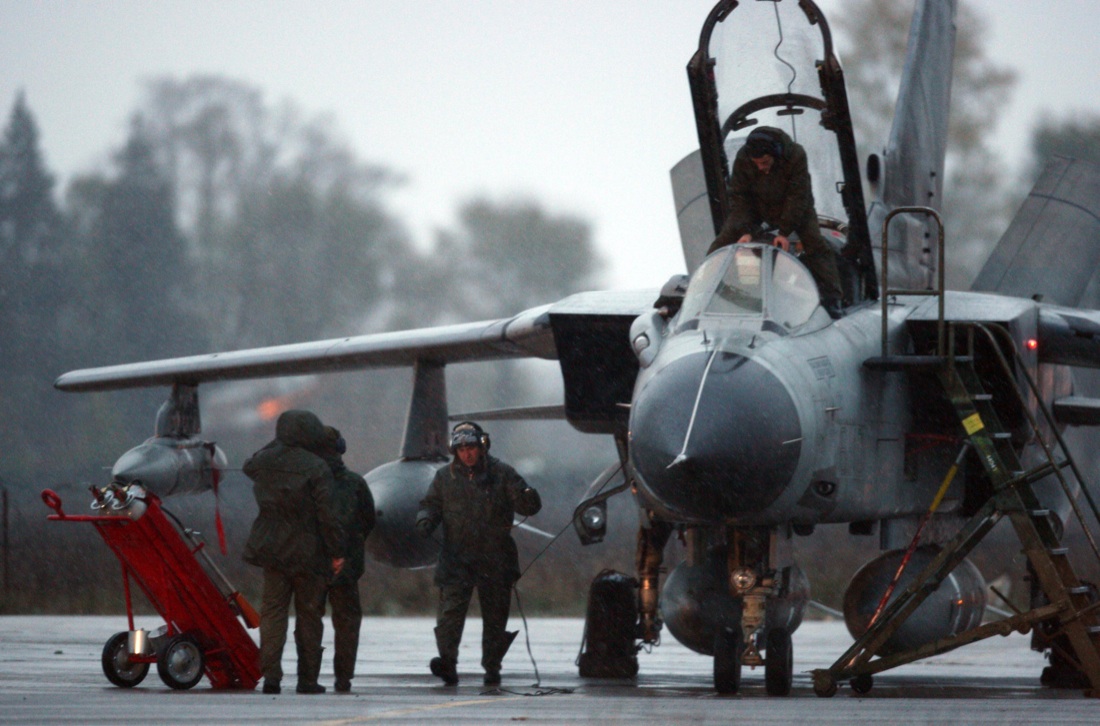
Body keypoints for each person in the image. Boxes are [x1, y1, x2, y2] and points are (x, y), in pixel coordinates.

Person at [415, 421, 542, 687]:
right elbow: (430, 504)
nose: (467, 454)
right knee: (449, 617)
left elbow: (528, 505)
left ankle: (492, 667)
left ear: (482, 446)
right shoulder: (444, 478)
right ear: (455, 451)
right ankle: (447, 663)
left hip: (495, 558)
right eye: (461, 449)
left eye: (471, 448)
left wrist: (528, 497)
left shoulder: (502, 473)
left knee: (495, 618)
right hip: (456, 557)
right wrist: (425, 520)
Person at [242, 409, 345, 695]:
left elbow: (249, 465)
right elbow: (328, 515)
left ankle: (271, 676)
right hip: (309, 552)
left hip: (272, 549)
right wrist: (337, 551)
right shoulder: (317, 467)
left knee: (273, 614)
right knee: (309, 616)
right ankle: (307, 680)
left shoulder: (265, 461)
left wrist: (276, 444)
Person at [708, 125, 845, 318]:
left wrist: (784, 232)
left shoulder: (796, 155)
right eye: (756, 164)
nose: (760, 168)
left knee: (815, 243)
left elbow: (798, 196)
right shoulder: (744, 158)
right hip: (757, 206)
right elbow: (740, 197)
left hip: (796, 207)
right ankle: (705, 291)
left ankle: (833, 299)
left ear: (776, 153)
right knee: (723, 241)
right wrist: (745, 230)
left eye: (764, 162)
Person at [315, 426, 375, 694]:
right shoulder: (355, 483)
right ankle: (343, 677)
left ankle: (308, 676)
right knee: (347, 624)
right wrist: (348, 548)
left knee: (309, 623)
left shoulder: (308, 484)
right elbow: (368, 520)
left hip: (313, 566)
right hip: (347, 568)